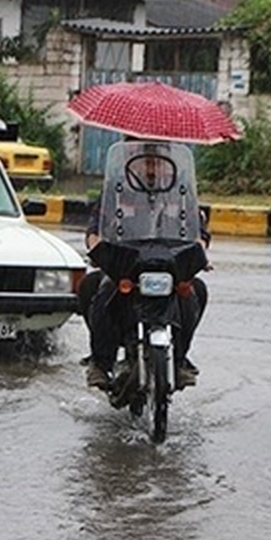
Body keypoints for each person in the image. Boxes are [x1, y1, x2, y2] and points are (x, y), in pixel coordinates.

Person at [80, 145, 211, 392]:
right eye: (146, 161)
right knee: (98, 288)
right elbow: (95, 229)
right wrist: (96, 250)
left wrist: (199, 254)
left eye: (157, 160)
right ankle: (101, 362)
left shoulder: (181, 192)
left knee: (196, 291)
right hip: (126, 263)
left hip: (170, 264)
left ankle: (180, 359)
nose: (152, 167)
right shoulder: (115, 190)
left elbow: (199, 231)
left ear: (167, 161)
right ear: (133, 159)